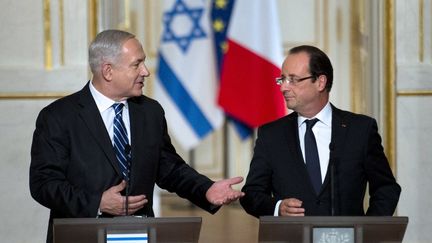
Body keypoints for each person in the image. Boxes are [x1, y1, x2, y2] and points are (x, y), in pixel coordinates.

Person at [29, 29, 244, 243]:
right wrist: (97, 203)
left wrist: (206, 189)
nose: (146, 71)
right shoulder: (58, 117)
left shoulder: (150, 112)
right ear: (108, 71)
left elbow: (169, 169)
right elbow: (43, 184)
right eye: (136, 64)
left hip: (138, 233)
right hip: (80, 235)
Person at [240, 45, 400, 218]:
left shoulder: (360, 129)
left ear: (320, 82)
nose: (283, 88)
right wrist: (277, 208)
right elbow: (251, 194)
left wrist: (367, 232)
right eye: (282, 79)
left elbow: (386, 188)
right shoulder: (271, 135)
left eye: (293, 80)